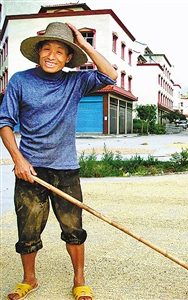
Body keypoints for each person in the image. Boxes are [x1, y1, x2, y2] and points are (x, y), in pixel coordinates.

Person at [0, 22, 118, 300]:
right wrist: (18, 160)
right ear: (38, 53)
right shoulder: (20, 80)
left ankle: (79, 281)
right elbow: (4, 122)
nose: (52, 56)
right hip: (29, 170)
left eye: (60, 51)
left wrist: (85, 44)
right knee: (28, 228)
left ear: (68, 58)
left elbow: (110, 74)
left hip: (66, 169)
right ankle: (29, 279)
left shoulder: (75, 81)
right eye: (47, 49)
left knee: (73, 228)